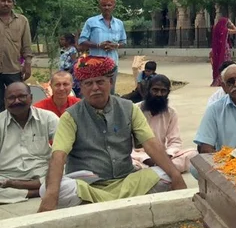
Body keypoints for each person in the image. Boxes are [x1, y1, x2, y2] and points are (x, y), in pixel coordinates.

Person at [38, 56, 186, 211]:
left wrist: (176, 176)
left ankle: (98, 206)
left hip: (127, 181)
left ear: (111, 82)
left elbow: (151, 144)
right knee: (48, 189)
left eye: (100, 82)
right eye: (88, 83)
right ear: (80, 87)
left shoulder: (129, 108)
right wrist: (51, 196)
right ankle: (123, 203)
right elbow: (59, 155)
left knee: (166, 174)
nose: (95, 88)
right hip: (88, 185)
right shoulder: (70, 116)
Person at [0, 82, 58, 204]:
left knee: (70, 175)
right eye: (11, 98)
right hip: (6, 177)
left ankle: (20, 189)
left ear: (31, 98)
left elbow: (64, 148)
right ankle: (36, 192)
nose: (16, 101)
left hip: (43, 175)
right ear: (5, 101)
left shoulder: (48, 118)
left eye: (22, 96)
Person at [131, 74, 197, 174]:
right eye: (155, 90)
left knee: (193, 155)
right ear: (148, 90)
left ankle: (156, 172)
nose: (159, 94)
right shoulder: (133, 110)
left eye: (163, 91)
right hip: (139, 157)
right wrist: (146, 159)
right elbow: (125, 146)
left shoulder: (171, 113)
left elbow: (175, 142)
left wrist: (167, 156)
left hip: (163, 156)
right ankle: (164, 171)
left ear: (168, 93)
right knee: (129, 164)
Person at [78, 0, 127, 93]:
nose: (106, 7)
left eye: (109, 5)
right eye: (104, 5)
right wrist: (98, 45)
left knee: (110, 91)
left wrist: (116, 45)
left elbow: (124, 42)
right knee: (96, 90)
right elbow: (82, 40)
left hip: (112, 63)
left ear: (114, 6)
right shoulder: (91, 21)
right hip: (95, 64)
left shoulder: (119, 23)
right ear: (99, 7)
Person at [0, 0, 32, 111]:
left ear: (13, 4)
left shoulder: (22, 20)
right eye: (3, 1)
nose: (6, 4)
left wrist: (27, 64)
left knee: (17, 99)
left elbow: (26, 45)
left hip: (13, 68)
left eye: (9, 1)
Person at [209, 17, 236, 86]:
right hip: (225, 49)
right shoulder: (225, 30)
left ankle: (219, 80)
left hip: (217, 49)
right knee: (226, 65)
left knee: (219, 64)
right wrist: (232, 24)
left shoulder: (216, 29)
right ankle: (225, 80)